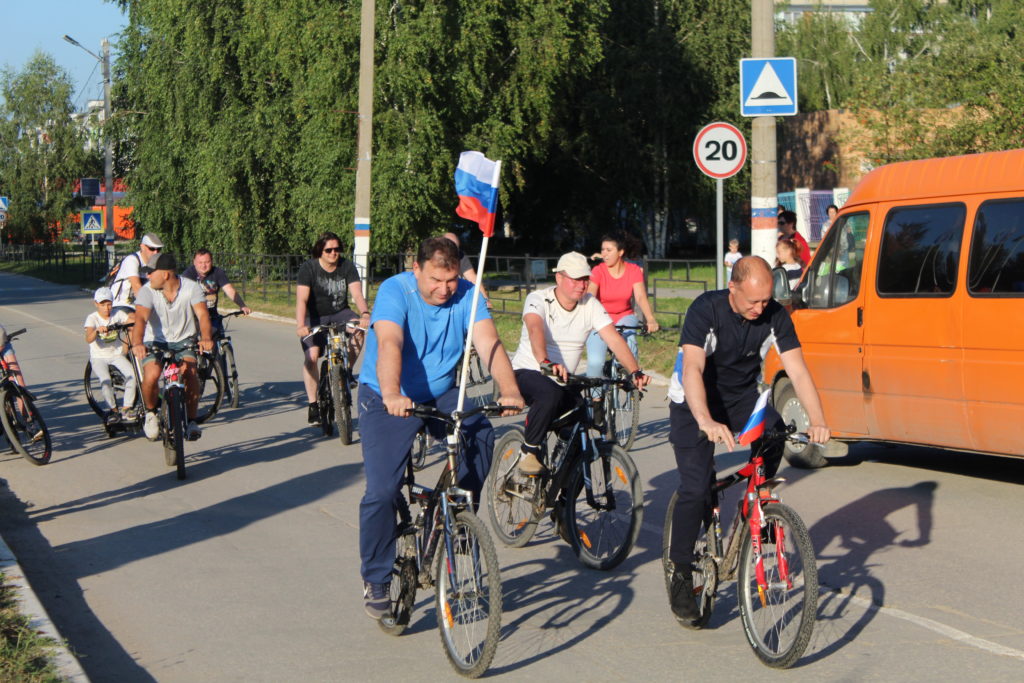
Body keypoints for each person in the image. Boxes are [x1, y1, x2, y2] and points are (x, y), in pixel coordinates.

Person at [356, 237, 524, 619]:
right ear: (416, 268)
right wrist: (392, 393)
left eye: (450, 280)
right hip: (387, 393)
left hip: (441, 393)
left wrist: (510, 389)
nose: (444, 289)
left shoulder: (467, 294)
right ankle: (377, 576)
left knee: (480, 433)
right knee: (381, 491)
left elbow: (489, 343)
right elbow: (389, 342)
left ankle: (460, 518)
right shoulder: (395, 291)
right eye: (435, 279)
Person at [665, 256, 830, 623]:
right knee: (695, 488)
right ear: (733, 288)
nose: (760, 308)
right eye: (752, 301)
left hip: (739, 398)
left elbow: (798, 370)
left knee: (776, 432)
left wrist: (817, 420)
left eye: (766, 301)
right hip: (695, 400)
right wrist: (706, 420)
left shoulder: (774, 314)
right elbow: (692, 367)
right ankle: (679, 572)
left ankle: (760, 498)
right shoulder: (705, 310)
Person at [511, 252, 649, 475]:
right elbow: (535, 328)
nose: (582, 285)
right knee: (550, 395)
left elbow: (613, 338)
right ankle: (529, 451)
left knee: (581, 425)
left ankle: (563, 500)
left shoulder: (590, 304)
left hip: (565, 378)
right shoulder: (538, 299)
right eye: (575, 279)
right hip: (530, 370)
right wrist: (545, 361)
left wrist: (635, 371)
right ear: (559, 278)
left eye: (585, 279)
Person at [130, 253, 214, 442]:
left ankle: (192, 421)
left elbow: (202, 316)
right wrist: (137, 343)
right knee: (152, 374)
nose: (148, 277)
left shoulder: (192, 288)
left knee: (190, 374)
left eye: (152, 273)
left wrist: (206, 338)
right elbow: (141, 319)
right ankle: (151, 413)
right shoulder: (147, 291)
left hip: (184, 340)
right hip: (155, 342)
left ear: (165, 275)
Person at [295, 232, 371, 425]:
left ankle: (346, 370)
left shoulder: (346, 266)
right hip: (314, 317)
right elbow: (301, 299)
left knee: (359, 331)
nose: (333, 253)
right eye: (329, 250)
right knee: (311, 357)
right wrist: (301, 325)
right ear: (320, 250)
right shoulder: (308, 268)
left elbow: (357, 293)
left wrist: (364, 314)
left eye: (337, 249)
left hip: (340, 313)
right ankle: (313, 405)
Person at [585, 234, 659, 420]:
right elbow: (591, 296)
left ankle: (632, 379)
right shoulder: (599, 271)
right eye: (602, 250)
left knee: (629, 339)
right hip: (600, 319)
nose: (604, 253)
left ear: (620, 252)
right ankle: (596, 403)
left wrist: (650, 319)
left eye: (609, 250)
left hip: (625, 316)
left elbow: (640, 297)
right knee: (595, 362)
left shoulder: (633, 270)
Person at [84, 287, 137, 425]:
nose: (106, 308)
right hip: (98, 357)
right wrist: (96, 331)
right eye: (102, 305)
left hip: (116, 355)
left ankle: (126, 408)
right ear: (96, 304)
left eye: (109, 304)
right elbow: (88, 338)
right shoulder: (92, 318)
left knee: (132, 376)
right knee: (105, 380)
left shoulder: (117, 314)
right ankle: (113, 410)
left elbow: (130, 319)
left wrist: (134, 319)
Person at [181, 249, 252, 334]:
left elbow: (229, 290)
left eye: (207, 262)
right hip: (194, 318)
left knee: (219, 336)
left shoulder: (218, 272)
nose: (203, 265)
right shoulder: (188, 275)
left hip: (212, 315)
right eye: (200, 262)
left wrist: (242, 305)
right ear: (194, 262)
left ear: (212, 261)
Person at [111, 233, 164, 314]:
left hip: (138, 304)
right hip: (122, 304)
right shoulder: (132, 260)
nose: (155, 252)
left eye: (158, 249)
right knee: (136, 322)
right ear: (142, 247)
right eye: (152, 248)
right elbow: (137, 287)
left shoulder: (156, 263)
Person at [443, 231, 491, 306]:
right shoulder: (432, 258)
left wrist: (485, 299)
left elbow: (472, 278)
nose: (454, 254)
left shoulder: (460, 256)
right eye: (451, 249)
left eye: (456, 249)